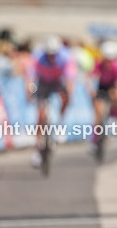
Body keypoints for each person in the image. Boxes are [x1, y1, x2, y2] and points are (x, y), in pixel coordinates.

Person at [27, 36, 77, 168]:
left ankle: (59, 122)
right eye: (49, 54)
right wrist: (30, 89)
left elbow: (70, 78)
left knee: (65, 98)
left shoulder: (65, 57)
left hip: (57, 82)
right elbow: (31, 75)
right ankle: (37, 150)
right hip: (43, 83)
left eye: (53, 54)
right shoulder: (38, 56)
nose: (51, 57)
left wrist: (68, 92)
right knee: (41, 116)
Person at [91, 41, 117, 154]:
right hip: (102, 86)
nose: (108, 62)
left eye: (110, 60)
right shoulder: (99, 64)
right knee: (98, 112)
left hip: (113, 86)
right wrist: (91, 90)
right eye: (106, 59)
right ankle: (94, 140)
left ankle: (114, 118)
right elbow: (91, 78)